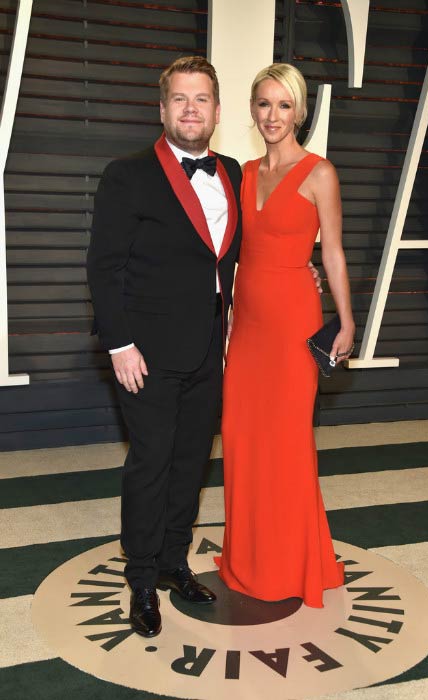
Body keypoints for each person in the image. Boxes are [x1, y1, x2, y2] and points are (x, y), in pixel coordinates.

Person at [87, 56, 242, 637]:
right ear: (162, 109)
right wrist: (120, 344)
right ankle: (142, 578)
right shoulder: (126, 175)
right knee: (150, 465)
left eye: (201, 99)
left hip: (211, 351)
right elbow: (104, 267)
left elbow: (238, 255)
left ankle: (176, 562)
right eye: (179, 99)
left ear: (217, 111)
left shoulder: (233, 173)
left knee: (189, 464)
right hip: (146, 354)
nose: (190, 109)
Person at [216, 63, 355, 607]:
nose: (273, 116)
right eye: (264, 104)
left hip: (294, 325)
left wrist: (345, 320)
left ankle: (288, 566)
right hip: (246, 327)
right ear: (252, 110)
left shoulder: (320, 173)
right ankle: (247, 559)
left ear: (299, 111)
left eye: (284, 105)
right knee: (242, 436)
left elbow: (334, 253)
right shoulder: (242, 172)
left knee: (288, 442)